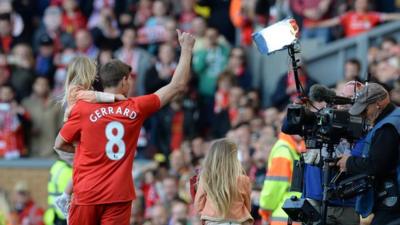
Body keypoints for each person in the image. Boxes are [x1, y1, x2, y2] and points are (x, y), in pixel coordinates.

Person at [54, 30, 195, 225]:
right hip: (118, 195)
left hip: (86, 192)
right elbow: (177, 85)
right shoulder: (136, 108)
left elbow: (60, 144)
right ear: (124, 80)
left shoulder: (83, 109)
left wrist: (84, 150)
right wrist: (186, 49)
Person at [54, 56, 127, 217]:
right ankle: (65, 197)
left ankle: (66, 197)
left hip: (76, 133)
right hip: (73, 133)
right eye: (93, 73)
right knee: (80, 168)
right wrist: (113, 97)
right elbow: (92, 97)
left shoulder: (80, 91)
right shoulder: (77, 90)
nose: (95, 76)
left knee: (80, 168)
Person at [337, 82, 400, 225]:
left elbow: (377, 165)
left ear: (379, 103)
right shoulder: (394, 118)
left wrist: (349, 162)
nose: (363, 115)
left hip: (393, 201)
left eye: (365, 109)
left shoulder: (387, 127)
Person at [194, 138, 253, 225]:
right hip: (236, 221)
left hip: (212, 221)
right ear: (233, 159)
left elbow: (199, 205)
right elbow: (247, 205)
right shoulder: (243, 180)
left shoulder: (206, 178)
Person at [258, 132, 305, 225]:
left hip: (282, 217)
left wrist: (265, 212)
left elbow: (274, 187)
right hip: (298, 212)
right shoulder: (297, 149)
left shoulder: (282, 150)